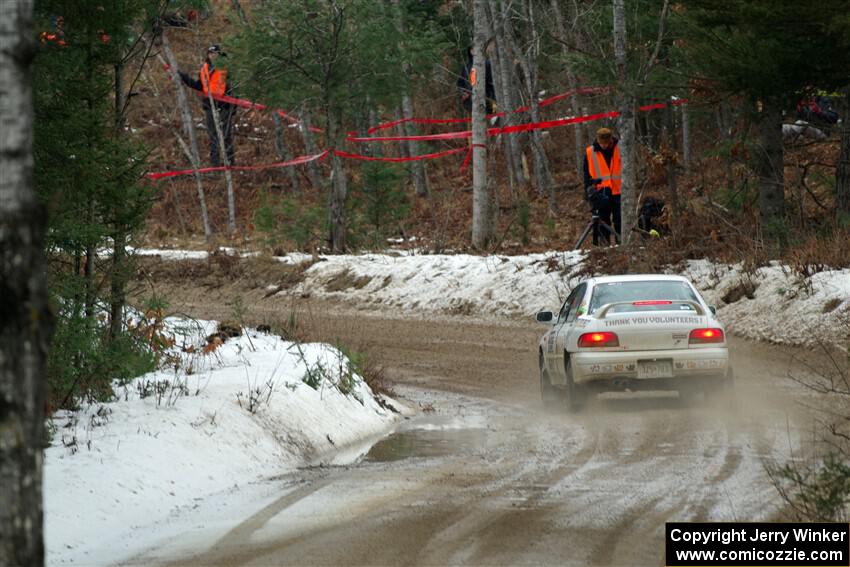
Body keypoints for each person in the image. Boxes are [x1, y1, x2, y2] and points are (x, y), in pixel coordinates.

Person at [178, 44, 236, 166]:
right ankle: (214, 165)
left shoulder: (226, 68)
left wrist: (233, 106)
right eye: (210, 53)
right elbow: (199, 86)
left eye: (215, 54)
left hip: (224, 105)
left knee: (226, 135)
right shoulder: (204, 68)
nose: (212, 56)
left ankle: (230, 163)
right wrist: (184, 78)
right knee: (213, 136)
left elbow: (233, 87)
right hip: (209, 106)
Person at [582, 127, 622, 245]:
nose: (604, 146)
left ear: (611, 140)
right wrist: (588, 191)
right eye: (601, 143)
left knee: (620, 221)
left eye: (606, 143)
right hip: (600, 192)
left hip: (619, 191)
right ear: (597, 140)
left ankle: (622, 245)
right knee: (603, 223)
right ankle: (605, 247)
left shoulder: (620, 148)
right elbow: (586, 174)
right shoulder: (590, 152)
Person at [457, 46, 497, 115]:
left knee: (491, 123)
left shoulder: (487, 64)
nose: (474, 51)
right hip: (470, 102)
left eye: (476, 48)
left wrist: (493, 99)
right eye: (472, 49)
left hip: (486, 100)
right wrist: (463, 93)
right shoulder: (466, 66)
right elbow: (460, 83)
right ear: (470, 51)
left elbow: (492, 83)